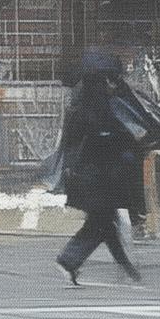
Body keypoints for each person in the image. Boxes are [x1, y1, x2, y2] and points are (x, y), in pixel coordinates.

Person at [55, 51, 143, 284]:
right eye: (108, 81)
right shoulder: (99, 110)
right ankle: (69, 260)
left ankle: (122, 268)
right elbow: (106, 139)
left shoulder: (79, 107)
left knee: (104, 223)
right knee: (103, 222)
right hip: (98, 178)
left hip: (87, 177)